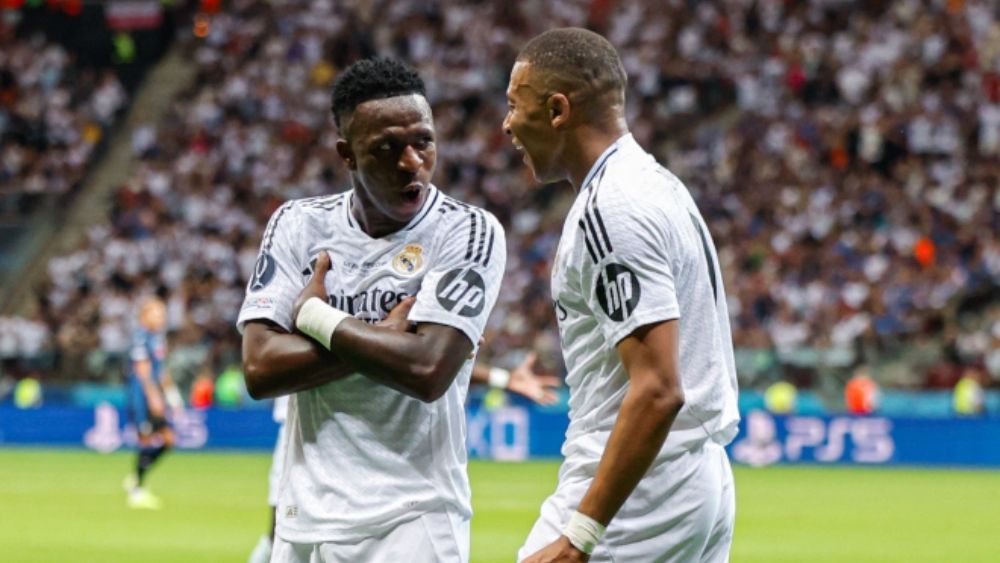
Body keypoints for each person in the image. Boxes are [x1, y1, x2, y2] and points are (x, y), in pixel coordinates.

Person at [238, 57, 506, 563]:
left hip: (413, 517)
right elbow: (259, 368)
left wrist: (317, 320)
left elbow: (427, 369)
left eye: (423, 141)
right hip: (303, 522)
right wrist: (382, 334)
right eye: (386, 149)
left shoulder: (467, 231)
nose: (411, 163)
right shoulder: (298, 224)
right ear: (348, 155)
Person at [503, 28, 740, 562]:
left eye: (515, 105)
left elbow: (658, 387)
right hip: (686, 474)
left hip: (642, 497)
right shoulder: (656, 185)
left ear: (558, 109)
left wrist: (580, 536)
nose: (507, 124)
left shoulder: (612, 209)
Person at [248, 354, 560, 563]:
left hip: (367, 449)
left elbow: (423, 357)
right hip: (303, 439)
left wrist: (501, 378)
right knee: (280, 534)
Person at [123, 297, 182, 510]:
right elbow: (143, 371)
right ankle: (136, 490)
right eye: (156, 314)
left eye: (162, 314)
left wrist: (173, 397)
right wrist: (154, 398)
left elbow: (162, 371)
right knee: (146, 439)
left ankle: (136, 479)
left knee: (168, 440)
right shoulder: (140, 338)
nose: (161, 318)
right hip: (141, 397)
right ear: (144, 316)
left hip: (154, 394)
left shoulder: (157, 339)